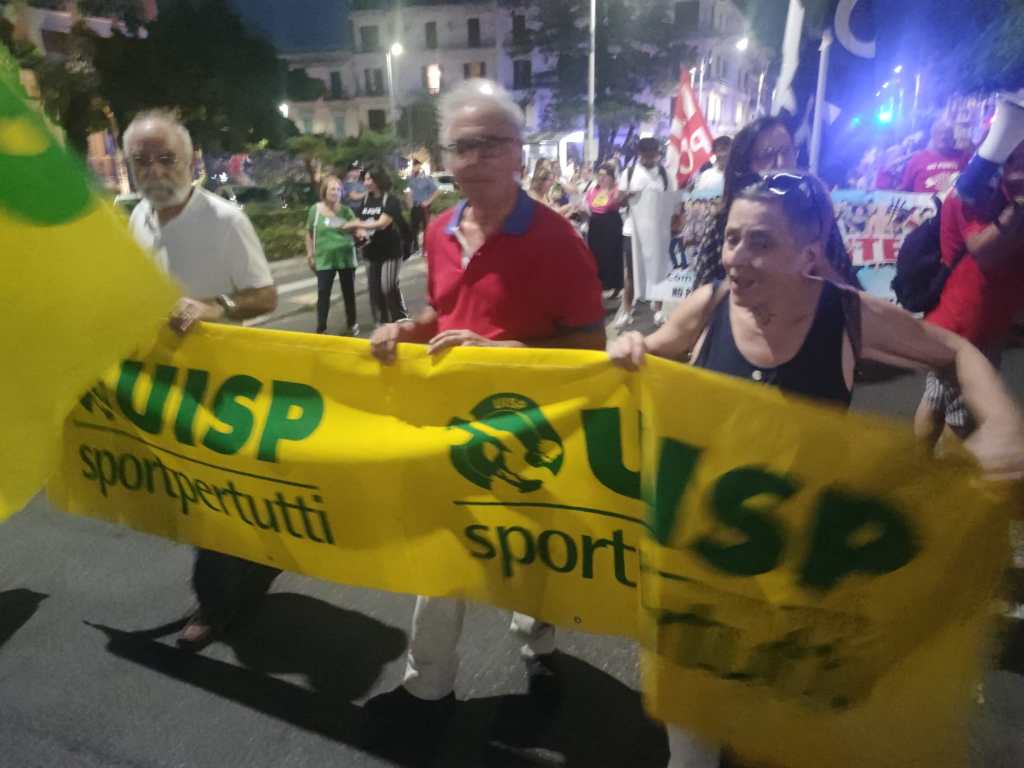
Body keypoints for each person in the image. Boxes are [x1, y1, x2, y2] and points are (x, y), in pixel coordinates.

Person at [608, 170, 1024, 768]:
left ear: (808, 255)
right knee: (691, 748)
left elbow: (954, 349)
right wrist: (629, 347)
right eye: (731, 238)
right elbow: (649, 349)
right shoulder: (710, 305)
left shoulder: (846, 316)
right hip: (701, 559)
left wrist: (1003, 422)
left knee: (773, 733)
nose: (736, 258)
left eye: (760, 242)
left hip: (796, 568)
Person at [365, 78, 606, 739]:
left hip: (531, 432)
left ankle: (539, 646)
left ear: (519, 152)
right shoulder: (439, 231)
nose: (473, 159)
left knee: (527, 554)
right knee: (442, 551)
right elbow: (442, 313)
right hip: (453, 427)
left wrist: (498, 353)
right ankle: (428, 687)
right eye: (460, 146)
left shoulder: (558, 238)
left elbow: (590, 349)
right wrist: (405, 330)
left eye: (490, 144)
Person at [123, 109, 279, 652]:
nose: (154, 169)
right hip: (165, 382)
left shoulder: (225, 220)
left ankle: (213, 605)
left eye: (166, 158)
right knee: (192, 494)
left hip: (223, 386)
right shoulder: (137, 218)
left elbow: (266, 296)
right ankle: (252, 564)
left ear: (191, 162)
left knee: (210, 493)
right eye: (142, 160)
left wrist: (216, 307)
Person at [914, 138, 1024, 447]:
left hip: (968, 321)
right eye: (1014, 160)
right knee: (962, 416)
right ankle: (938, 475)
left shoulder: (995, 193)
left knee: (936, 399)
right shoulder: (973, 195)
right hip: (970, 328)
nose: (1020, 170)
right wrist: (1019, 206)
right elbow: (982, 250)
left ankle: (916, 466)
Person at [689, 116, 859, 291]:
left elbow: (851, 292)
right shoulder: (723, 221)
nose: (781, 163)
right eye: (767, 155)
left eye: (787, 152)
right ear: (745, 165)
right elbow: (702, 294)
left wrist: (819, 261)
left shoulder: (816, 217)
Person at [617, 137, 679, 328]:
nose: (649, 158)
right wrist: (629, 194)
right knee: (631, 273)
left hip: (657, 232)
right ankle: (627, 311)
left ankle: (658, 310)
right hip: (632, 231)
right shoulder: (629, 173)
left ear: (658, 153)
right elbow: (618, 201)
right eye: (645, 154)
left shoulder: (665, 175)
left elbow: (674, 202)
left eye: (653, 153)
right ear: (639, 154)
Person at [347, 165, 408, 326]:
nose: (366, 183)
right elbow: (359, 220)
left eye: (369, 179)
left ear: (378, 180)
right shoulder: (365, 200)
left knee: (388, 286)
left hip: (390, 252)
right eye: (365, 179)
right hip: (371, 252)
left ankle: (400, 318)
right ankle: (382, 322)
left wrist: (356, 224)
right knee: (374, 290)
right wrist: (359, 230)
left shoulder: (391, 200)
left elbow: (382, 223)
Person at [306, 174, 359, 336]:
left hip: (346, 258)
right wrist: (310, 254)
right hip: (324, 259)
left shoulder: (346, 211)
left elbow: (357, 229)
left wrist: (358, 229)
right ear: (324, 191)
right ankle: (321, 328)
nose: (335, 192)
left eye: (338, 189)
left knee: (348, 292)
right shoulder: (315, 210)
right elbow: (309, 233)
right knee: (323, 293)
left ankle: (352, 323)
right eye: (332, 189)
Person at [586, 162, 625, 296]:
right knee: (595, 254)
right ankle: (599, 284)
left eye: (604, 175)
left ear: (611, 177)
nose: (601, 178)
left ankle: (614, 285)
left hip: (611, 223)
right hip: (595, 224)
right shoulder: (593, 189)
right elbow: (589, 205)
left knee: (611, 254)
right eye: (599, 175)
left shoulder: (616, 189)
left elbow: (615, 203)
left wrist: (610, 191)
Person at [900, 119, 968, 195]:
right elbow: (905, 190)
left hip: (953, 201)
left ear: (953, 137)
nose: (943, 137)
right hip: (923, 202)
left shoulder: (964, 156)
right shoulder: (917, 159)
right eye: (939, 133)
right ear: (932, 136)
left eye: (947, 133)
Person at [405, 157, 440, 251]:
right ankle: (415, 246)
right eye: (412, 166)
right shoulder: (410, 179)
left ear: (419, 166)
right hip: (415, 206)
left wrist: (428, 201)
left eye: (415, 166)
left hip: (424, 207)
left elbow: (436, 191)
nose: (413, 168)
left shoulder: (426, 179)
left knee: (426, 227)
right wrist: (409, 203)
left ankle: (426, 246)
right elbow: (409, 191)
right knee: (414, 227)